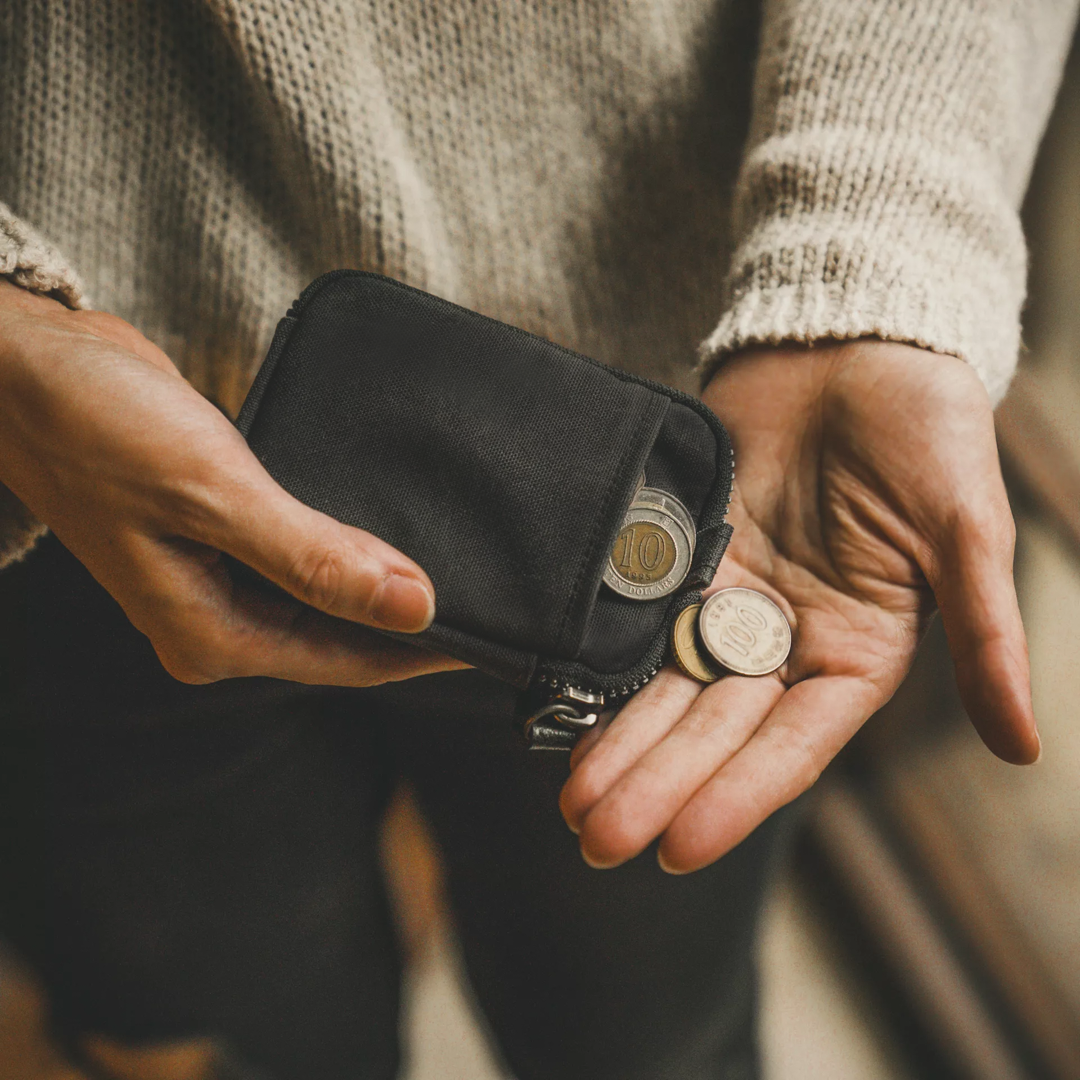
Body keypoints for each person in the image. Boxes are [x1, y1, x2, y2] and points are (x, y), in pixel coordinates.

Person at [0, 2, 1071, 1077]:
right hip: (72, 487)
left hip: (694, 430)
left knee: (649, 1045)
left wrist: (875, 262)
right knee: (215, 1034)